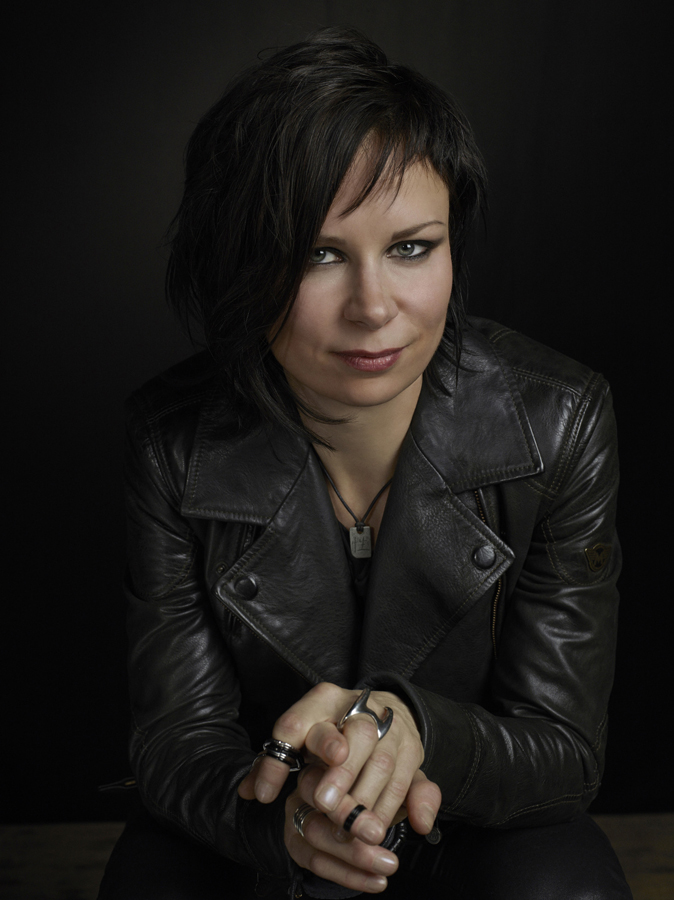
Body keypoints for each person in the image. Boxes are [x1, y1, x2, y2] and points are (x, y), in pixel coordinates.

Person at [98, 26, 632, 900]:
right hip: (258, 818)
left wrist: (413, 724)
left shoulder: (560, 422)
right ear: (240, 264)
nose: (375, 306)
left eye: (412, 247)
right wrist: (285, 819)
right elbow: (177, 742)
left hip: (466, 818)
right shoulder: (171, 443)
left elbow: (563, 748)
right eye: (319, 254)